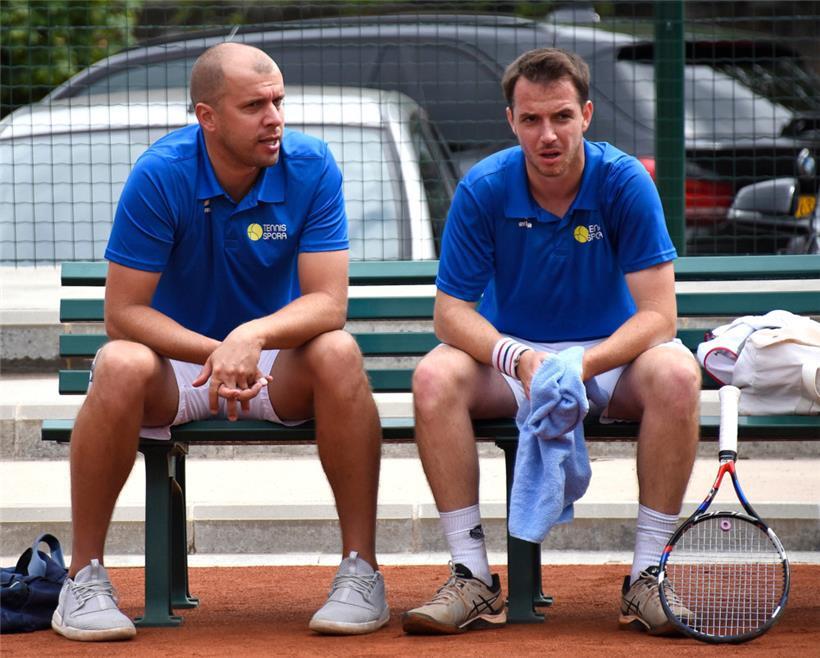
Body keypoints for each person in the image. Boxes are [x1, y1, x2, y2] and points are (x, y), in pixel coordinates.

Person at [51, 42, 389, 641]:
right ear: (207, 116)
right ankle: (83, 579)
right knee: (120, 363)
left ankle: (361, 571)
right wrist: (216, 350)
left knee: (340, 351)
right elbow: (122, 313)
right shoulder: (161, 173)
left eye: (279, 101)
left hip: (275, 365)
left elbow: (329, 304)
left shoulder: (311, 165)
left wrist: (251, 336)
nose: (275, 118)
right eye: (255, 105)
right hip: (178, 367)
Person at [402, 48, 700, 636]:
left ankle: (647, 576)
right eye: (532, 119)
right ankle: (472, 576)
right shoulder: (483, 187)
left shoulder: (623, 182)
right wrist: (521, 359)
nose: (548, 134)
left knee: (678, 373)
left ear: (586, 114)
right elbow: (450, 315)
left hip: (610, 357)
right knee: (432, 376)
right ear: (511, 121)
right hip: (515, 359)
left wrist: (576, 364)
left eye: (562, 117)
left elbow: (660, 316)